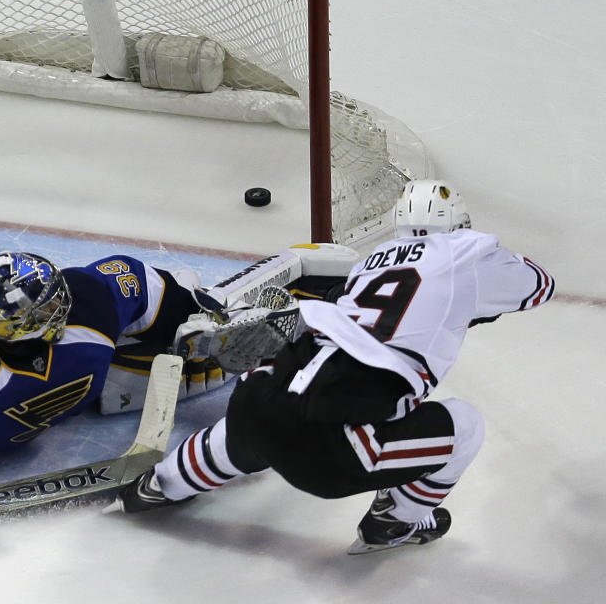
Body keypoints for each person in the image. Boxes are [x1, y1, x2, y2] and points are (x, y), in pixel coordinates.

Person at [0, 170, 355, 501]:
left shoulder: (92, 296)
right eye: (14, 323)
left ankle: (212, 329)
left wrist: (195, 317)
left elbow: (141, 285)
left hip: (81, 392)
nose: (26, 329)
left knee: (183, 312)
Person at [108, 179, 555, 555]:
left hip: (255, 407)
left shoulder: (368, 266)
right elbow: (539, 284)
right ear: (458, 225)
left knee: (275, 398)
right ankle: (394, 522)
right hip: (329, 455)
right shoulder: (466, 251)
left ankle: (159, 485)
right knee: (466, 426)